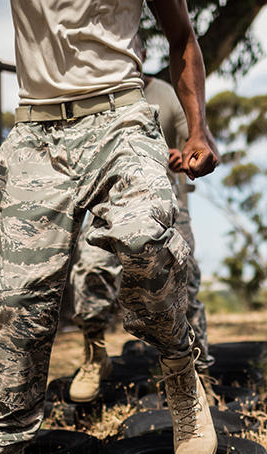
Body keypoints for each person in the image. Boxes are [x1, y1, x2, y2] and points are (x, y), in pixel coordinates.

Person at [0, 0, 220, 454]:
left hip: (121, 117)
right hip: (37, 133)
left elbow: (182, 36)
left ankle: (179, 368)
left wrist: (198, 128)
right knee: (22, 302)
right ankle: (6, 453)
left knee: (144, 238)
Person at [68, 34, 215, 404]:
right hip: (109, 207)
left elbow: (198, 144)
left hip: (168, 209)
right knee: (89, 273)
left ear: (143, 52)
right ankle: (94, 354)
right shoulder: (97, 96)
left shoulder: (167, 94)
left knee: (186, 287)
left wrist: (185, 158)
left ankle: (199, 375)